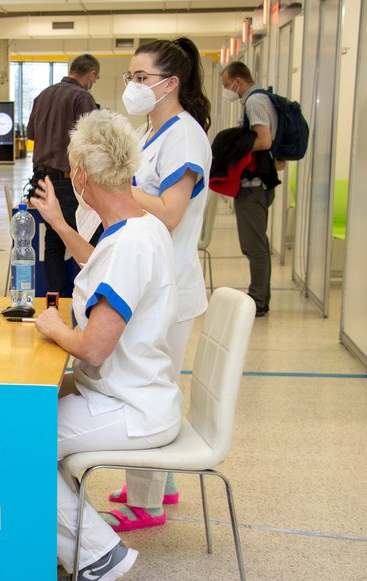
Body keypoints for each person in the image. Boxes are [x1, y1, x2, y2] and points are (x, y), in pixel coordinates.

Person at [32, 109, 181, 581]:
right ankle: (76, 543)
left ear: (81, 175)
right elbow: (97, 261)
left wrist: (54, 328)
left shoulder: (129, 247)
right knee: (29, 423)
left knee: (18, 443)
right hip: (138, 392)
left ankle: (95, 554)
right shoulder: (140, 228)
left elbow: (94, 346)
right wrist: (56, 220)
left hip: (128, 406)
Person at [104, 37, 214, 532]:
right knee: (151, 380)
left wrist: (119, 190)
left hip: (170, 288)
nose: (133, 86)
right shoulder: (152, 131)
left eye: (141, 78)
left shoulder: (185, 138)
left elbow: (170, 212)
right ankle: (159, 483)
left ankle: (147, 505)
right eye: (129, 77)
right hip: (152, 283)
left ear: (170, 84)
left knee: (149, 388)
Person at [26, 53, 100, 295]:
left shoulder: (43, 95)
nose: (94, 82)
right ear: (90, 74)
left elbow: (31, 133)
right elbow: (92, 141)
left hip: (41, 180)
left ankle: (54, 300)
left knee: (54, 242)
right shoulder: (83, 97)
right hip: (68, 183)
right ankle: (88, 298)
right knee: (88, 240)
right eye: (95, 78)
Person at [221, 61, 278, 317]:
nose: (227, 90)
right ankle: (260, 296)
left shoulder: (254, 101)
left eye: (226, 85)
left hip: (253, 186)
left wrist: (235, 148)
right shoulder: (258, 100)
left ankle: (258, 300)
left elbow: (263, 139)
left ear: (238, 81)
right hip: (256, 185)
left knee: (253, 245)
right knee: (257, 244)